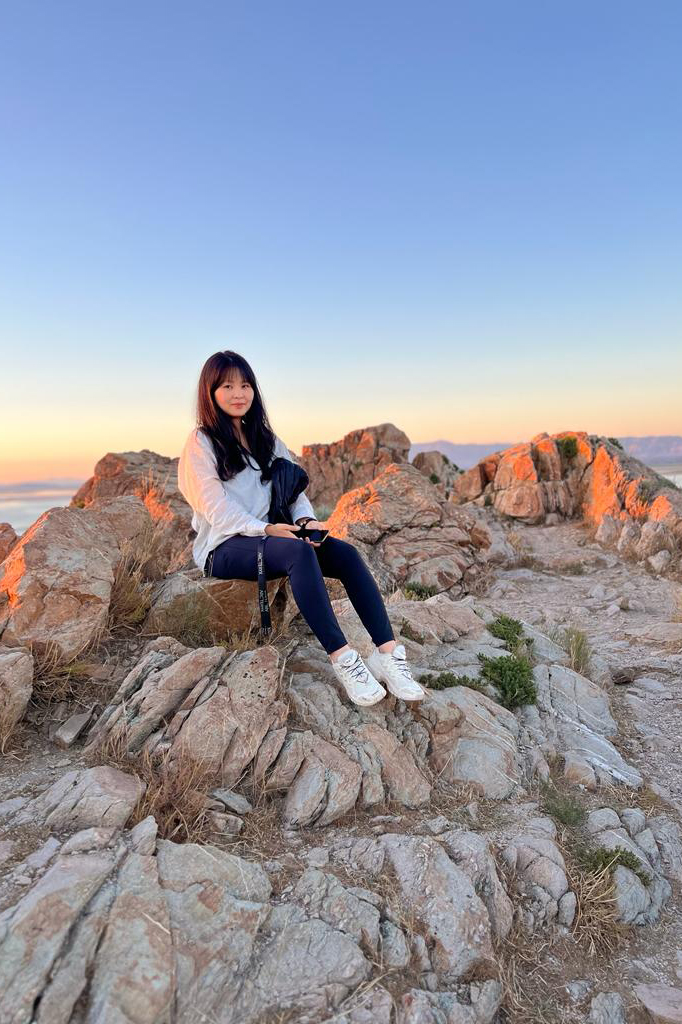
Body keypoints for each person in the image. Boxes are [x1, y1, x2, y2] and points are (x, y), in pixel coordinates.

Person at [177, 350, 425, 707]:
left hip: (274, 533)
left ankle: (387, 655)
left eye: (245, 385)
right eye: (227, 385)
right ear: (210, 392)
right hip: (225, 544)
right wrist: (266, 529)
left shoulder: (265, 438)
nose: (238, 393)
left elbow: (293, 490)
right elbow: (215, 509)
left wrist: (304, 521)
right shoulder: (201, 442)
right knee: (297, 552)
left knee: (344, 554)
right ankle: (344, 660)